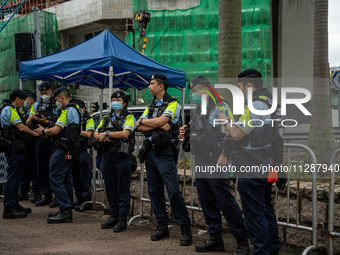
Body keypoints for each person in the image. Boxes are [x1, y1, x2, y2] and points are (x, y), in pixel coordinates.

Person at [179, 77, 249, 254]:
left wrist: (224, 155)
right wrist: (186, 132)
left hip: (217, 160)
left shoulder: (221, 105)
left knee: (224, 200)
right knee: (206, 200)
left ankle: (242, 242)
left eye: (195, 91)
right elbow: (200, 130)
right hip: (201, 159)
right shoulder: (199, 108)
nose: (193, 95)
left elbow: (228, 132)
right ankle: (215, 238)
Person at [218, 69, 281, 255]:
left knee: (255, 217)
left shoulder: (255, 106)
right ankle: (272, 250)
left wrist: (227, 121)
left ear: (250, 85)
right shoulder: (271, 102)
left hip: (251, 167)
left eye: (241, 87)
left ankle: (262, 251)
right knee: (266, 212)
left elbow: (237, 134)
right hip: (265, 163)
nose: (241, 91)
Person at [136, 74, 192, 246]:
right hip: (151, 152)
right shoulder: (151, 105)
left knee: (173, 191)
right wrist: (158, 123)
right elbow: (139, 124)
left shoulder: (173, 103)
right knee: (154, 190)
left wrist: (154, 122)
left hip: (165, 152)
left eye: (152, 84)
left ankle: (185, 228)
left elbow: (162, 120)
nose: (149, 86)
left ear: (161, 86)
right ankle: (162, 225)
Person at [34, 87, 81, 224]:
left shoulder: (68, 111)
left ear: (61, 98)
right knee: (65, 178)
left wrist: (43, 131)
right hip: (67, 148)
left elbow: (55, 131)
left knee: (55, 177)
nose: (56, 102)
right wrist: (47, 123)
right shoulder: (74, 109)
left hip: (62, 149)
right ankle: (66, 208)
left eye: (56, 100)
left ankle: (65, 210)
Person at [94, 90, 135, 232]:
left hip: (121, 156)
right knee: (110, 186)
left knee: (122, 186)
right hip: (107, 155)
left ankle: (122, 218)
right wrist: (98, 136)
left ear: (124, 103)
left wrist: (106, 134)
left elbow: (125, 133)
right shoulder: (106, 117)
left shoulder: (129, 117)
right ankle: (114, 215)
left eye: (118, 100)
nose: (115, 102)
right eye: (113, 100)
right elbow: (95, 130)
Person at [1, 89, 39, 219]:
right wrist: (35, 133)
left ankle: (14, 203)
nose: (23, 104)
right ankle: (9, 208)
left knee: (16, 177)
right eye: (23, 101)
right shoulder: (10, 110)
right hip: (13, 147)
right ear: (17, 99)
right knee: (14, 178)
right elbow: (21, 127)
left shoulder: (6, 108)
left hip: (13, 147)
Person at [26, 81, 58, 208]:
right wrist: (33, 117)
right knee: (42, 168)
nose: (43, 95)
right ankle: (47, 195)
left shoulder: (56, 104)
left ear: (51, 91)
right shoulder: (36, 105)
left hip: (53, 139)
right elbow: (28, 122)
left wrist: (46, 121)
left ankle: (57, 196)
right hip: (40, 139)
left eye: (46, 92)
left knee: (54, 168)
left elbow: (59, 122)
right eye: (41, 93)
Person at [70, 99, 94, 212]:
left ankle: (87, 200)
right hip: (73, 151)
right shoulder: (73, 118)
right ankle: (79, 198)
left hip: (84, 151)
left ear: (83, 109)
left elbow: (89, 134)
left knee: (85, 176)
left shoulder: (88, 119)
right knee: (75, 176)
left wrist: (75, 130)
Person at [19, 92, 41, 203]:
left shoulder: (36, 112)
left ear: (31, 101)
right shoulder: (24, 112)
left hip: (33, 143)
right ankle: (23, 191)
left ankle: (37, 192)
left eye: (26, 100)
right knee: (24, 169)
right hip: (25, 144)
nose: (25, 102)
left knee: (33, 169)